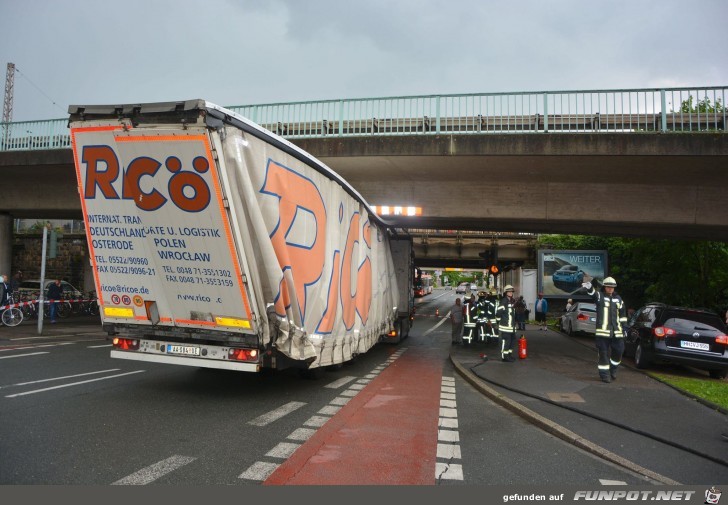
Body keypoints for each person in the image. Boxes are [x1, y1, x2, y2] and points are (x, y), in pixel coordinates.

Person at [582, 276, 628, 383]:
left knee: (619, 351)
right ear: (605, 287)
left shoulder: (619, 299)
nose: (610, 289)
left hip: (617, 332)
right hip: (602, 333)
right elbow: (593, 294)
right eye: (608, 287)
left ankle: (613, 369)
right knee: (603, 354)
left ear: (614, 288)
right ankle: (604, 375)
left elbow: (623, 315)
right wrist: (589, 288)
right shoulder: (600, 296)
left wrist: (625, 328)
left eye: (612, 287)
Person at [496, 284, 517, 362]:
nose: (511, 293)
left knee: (512, 341)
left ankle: (509, 355)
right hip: (505, 327)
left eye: (512, 291)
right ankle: (504, 357)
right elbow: (498, 313)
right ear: (506, 292)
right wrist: (499, 321)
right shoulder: (504, 301)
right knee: (506, 342)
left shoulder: (512, 301)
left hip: (512, 327)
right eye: (509, 291)